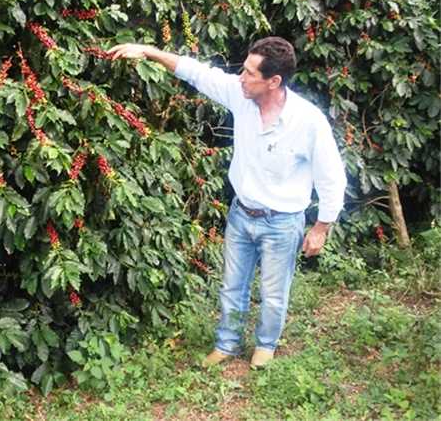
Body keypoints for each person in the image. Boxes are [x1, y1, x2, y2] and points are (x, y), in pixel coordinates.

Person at [108, 37, 347, 368]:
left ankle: (265, 346)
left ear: (274, 81)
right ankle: (227, 344)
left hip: (283, 222)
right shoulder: (241, 94)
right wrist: (147, 51)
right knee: (232, 286)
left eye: (250, 73)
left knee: (274, 293)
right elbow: (197, 73)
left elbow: (331, 177)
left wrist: (321, 227)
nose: (241, 77)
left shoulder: (308, 121)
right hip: (241, 214)